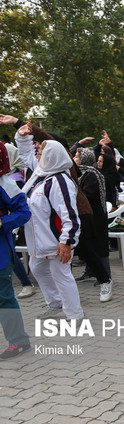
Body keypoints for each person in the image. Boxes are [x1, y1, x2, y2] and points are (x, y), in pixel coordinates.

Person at [15, 122, 84, 320]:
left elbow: (69, 215)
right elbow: (27, 154)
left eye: (41, 152)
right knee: (37, 268)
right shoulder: (41, 174)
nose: (37, 154)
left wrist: (67, 242)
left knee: (61, 275)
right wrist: (22, 136)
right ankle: (55, 303)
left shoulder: (59, 181)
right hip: (40, 239)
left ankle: (75, 315)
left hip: (56, 241)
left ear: (51, 156)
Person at [0, 142, 32, 359]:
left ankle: (19, 341)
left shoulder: (5, 183)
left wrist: (3, 222)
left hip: (0, 253)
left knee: (4, 296)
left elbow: (24, 211)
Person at [73, 148, 114, 302]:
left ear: (84, 159)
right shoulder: (83, 173)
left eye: (77, 156)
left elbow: (86, 195)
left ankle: (106, 276)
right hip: (88, 216)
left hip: (96, 217)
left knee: (100, 246)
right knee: (90, 246)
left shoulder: (92, 175)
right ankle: (91, 272)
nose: (75, 158)